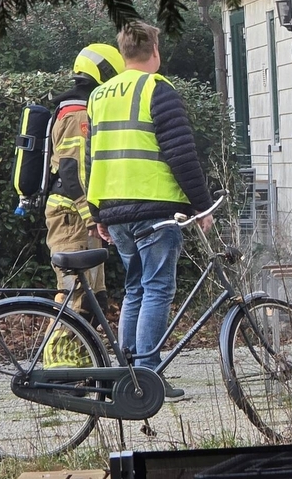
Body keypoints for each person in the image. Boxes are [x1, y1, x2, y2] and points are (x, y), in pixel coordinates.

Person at [86, 22, 213, 400]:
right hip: (156, 209)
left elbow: (93, 158)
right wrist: (202, 205)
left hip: (114, 209)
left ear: (122, 52)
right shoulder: (158, 90)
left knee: (135, 289)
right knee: (157, 288)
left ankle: (127, 377)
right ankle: (147, 375)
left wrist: (97, 212)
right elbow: (180, 153)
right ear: (154, 51)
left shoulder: (100, 95)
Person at [42, 43, 125, 369]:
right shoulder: (78, 114)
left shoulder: (73, 108)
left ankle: (84, 365)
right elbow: (72, 171)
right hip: (72, 217)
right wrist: (90, 217)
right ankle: (58, 370)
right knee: (74, 296)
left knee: (94, 297)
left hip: (77, 216)